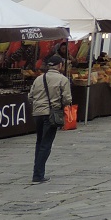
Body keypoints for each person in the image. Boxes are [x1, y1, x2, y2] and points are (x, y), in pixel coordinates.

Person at [29, 54, 72, 183]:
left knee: (39, 143)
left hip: (38, 113)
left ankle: (37, 171)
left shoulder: (39, 79)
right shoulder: (62, 79)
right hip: (52, 114)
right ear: (60, 66)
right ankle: (38, 174)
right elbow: (67, 99)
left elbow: (30, 96)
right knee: (46, 144)